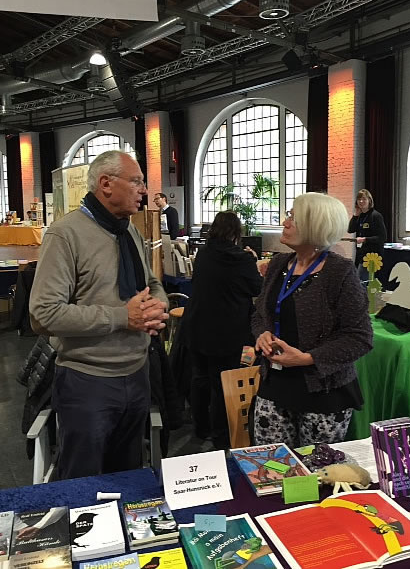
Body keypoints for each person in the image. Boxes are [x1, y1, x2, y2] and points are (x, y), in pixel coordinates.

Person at [29, 151, 168, 479]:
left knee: (128, 478)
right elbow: (43, 314)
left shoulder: (128, 230)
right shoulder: (65, 235)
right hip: (87, 382)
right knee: (83, 481)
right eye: (136, 181)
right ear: (106, 184)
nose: (144, 190)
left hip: (137, 373)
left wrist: (157, 305)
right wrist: (122, 318)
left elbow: (151, 283)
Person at [252, 193, 373, 449]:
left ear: (315, 226)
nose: (285, 222)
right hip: (275, 385)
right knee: (273, 465)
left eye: (293, 218)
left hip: (324, 392)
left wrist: (307, 358)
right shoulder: (278, 265)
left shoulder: (339, 272)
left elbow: (359, 338)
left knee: (316, 469)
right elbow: (260, 314)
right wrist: (262, 333)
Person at [182, 211, 263, 449]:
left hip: (197, 324)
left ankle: (200, 428)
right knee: (222, 383)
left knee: (200, 377)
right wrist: (254, 259)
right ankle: (220, 437)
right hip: (227, 330)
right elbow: (256, 288)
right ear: (236, 232)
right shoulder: (242, 259)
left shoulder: (204, 253)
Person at [348, 189, 387, 282]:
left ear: (369, 200)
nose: (361, 201)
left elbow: (382, 237)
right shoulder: (360, 216)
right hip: (361, 254)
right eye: (359, 199)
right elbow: (350, 230)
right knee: (360, 281)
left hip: (373, 255)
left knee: (361, 281)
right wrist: (355, 215)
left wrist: (365, 239)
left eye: (364, 199)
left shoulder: (376, 216)